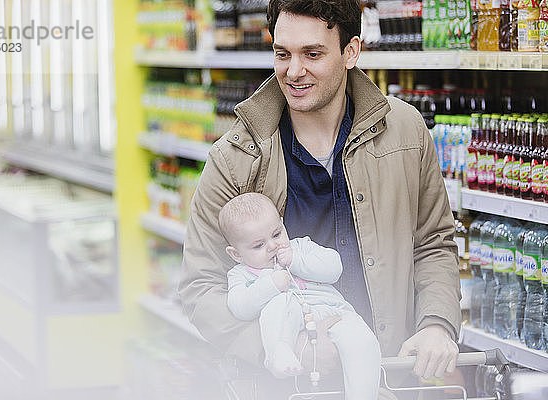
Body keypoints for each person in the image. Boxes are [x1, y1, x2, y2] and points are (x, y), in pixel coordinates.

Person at [179, 0, 462, 394]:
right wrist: (279, 346)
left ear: (351, 51)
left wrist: (436, 323)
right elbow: (201, 284)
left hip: (388, 376)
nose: (294, 71)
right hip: (285, 385)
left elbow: (432, 244)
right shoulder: (234, 158)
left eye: (312, 54)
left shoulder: (405, 131)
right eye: (283, 54)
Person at [220, 192, 381, 398]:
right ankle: (279, 352)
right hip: (293, 322)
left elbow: (334, 267)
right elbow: (239, 306)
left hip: (335, 313)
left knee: (362, 340)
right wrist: (271, 285)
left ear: (282, 224)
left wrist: (296, 260)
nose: (272, 246)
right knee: (279, 304)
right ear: (236, 254)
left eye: (277, 234)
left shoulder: (300, 247)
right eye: (258, 245)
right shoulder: (241, 273)